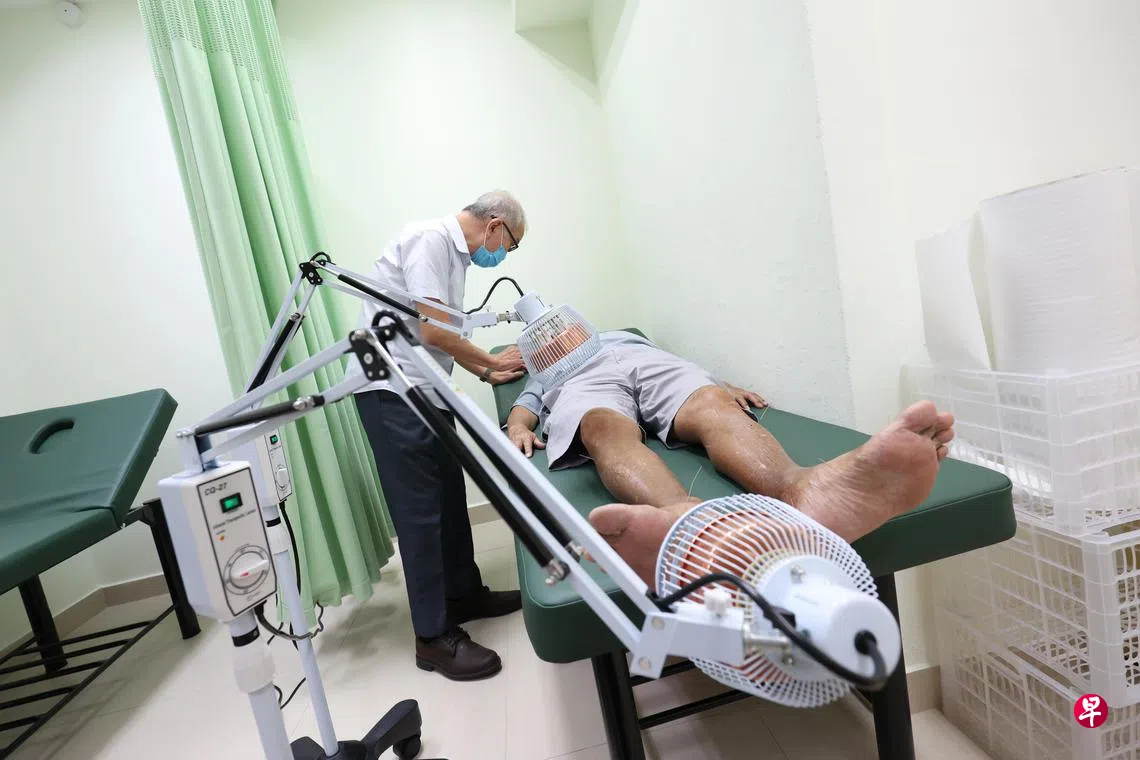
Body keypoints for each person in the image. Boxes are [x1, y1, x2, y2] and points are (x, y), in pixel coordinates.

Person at [505, 329, 955, 589]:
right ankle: (693, 524)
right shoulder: (550, 368)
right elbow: (527, 402)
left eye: (565, 328)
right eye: (552, 336)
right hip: (583, 382)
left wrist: (721, 385)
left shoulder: (629, 338)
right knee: (603, 429)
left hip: (647, 363)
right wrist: (519, 424)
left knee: (713, 404)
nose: (560, 334)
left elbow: (682, 368)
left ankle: (802, 491)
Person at [351, 191, 529, 680]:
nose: (504, 255)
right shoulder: (428, 239)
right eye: (510, 245)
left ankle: (463, 594)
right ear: (495, 226)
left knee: (449, 498)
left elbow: (438, 334)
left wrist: (484, 371)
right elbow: (433, 332)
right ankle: (432, 638)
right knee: (421, 515)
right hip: (392, 393)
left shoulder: (455, 257)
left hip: (425, 389)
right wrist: (490, 360)